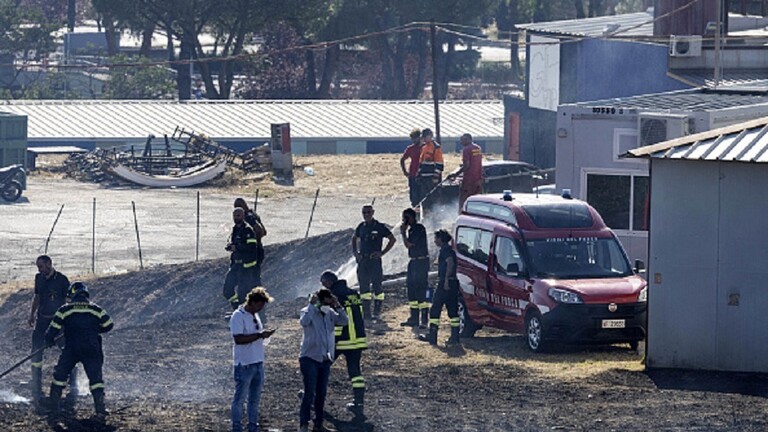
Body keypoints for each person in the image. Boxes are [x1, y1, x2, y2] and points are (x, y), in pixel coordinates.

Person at [45, 282, 113, 416]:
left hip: (72, 348)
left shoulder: (65, 309)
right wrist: (95, 330)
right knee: (96, 379)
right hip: (92, 348)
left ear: (72, 295)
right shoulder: (96, 309)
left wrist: (49, 340)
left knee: (60, 375)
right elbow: (109, 324)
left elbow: (53, 328)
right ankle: (100, 408)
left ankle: (53, 407)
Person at [27, 255, 77, 411]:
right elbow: (37, 297)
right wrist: (32, 314)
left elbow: (70, 301)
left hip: (59, 323)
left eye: (41, 266)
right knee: (36, 352)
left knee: (68, 351)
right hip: (42, 321)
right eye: (38, 267)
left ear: (49, 264)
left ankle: (73, 384)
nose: (40, 270)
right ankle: (36, 383)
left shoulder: (62, 280)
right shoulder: (39, 278)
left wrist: (70, 320)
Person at [299, 288, 348, 432]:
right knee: (309, 393)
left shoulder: (330, 313)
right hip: (309, 358)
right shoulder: (307, 311)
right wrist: (311, 306)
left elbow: (344, 321)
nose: (328, 304)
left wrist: (338, 305)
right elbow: (304, 322)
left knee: (321, 393)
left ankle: (318, 424)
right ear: (320, 301)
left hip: (325, 358)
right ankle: (304, 424)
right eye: (326, 301)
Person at [321, 271, 367, 418]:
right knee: (355, 372)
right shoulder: (353, 293)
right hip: (357, 340)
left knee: (322, 365)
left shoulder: (334, 295)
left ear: (328, 282)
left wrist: (331, 339)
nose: (323, 286)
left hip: (342, 340)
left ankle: (312, 394)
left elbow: (334, 319)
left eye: (323, 283)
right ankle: (359, 403)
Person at [230, 287, 275, 432]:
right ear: (253, 302)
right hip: (244, 364)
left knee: (254, 400)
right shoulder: (238, 316)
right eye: (260, 305)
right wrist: (260, 335)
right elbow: (238, 339)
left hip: (257, 362)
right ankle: (237, 428)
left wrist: (263, 336)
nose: (261, 308)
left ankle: (252, 427)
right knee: (239, 399)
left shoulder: (254, 315)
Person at [352, 205, 396, 321]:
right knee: (364, 287)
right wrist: (356, 253)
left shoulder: (379, 227)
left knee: (377, 286)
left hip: (375, 261)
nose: (366, 215)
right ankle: (366, 313)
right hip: (363, 261)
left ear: (373, 212)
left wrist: (382, 252)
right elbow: (354, 238)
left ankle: (377, 312)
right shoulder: (361, 226)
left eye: (368, 212)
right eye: (364, 212)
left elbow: (392, 239)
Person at [420, 229, 461, 346]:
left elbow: (450, 263)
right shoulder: (448, 250)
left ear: (441, 239)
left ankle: (432, 336)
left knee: (435, 309)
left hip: (445, 283)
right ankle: (455, 338)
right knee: (453, 311)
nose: (434, 241)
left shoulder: (446, 251)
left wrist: (446, 280)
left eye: (436, 238)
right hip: (453, 284)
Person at [223, 208, 260, 311]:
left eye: (238, 216)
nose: (236, 218)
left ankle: (244, 314)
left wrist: (237, 247)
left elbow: (252, 247)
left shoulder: (248, 230)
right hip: (235, 266)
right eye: (234, 216)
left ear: (243, 216)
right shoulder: (235, 229)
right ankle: (236, 308)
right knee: (227, 290)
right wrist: (231, 247)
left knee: (243, 294)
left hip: (246, 268)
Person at [399, 208, 430, 328]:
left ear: (411, 217)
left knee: (421, 289)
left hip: (421, 262)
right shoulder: (411, 230)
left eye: (405, 218)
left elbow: (409, 245)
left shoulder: (418, 229)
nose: (403, 220)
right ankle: (414, 317)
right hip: (413, 262)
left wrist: (403, 233)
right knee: (411, 289)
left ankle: (424, 319)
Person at [234, 198, 267, 286]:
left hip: (253, 252)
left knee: (252, 278)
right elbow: (264, 232)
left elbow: (261, 231)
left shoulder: (248, 218)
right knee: (253, 276)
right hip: (257, 249)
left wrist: (252, 241)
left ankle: (258, 297)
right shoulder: (252, 214)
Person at [416, 128, 444, 207]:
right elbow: (421, 163)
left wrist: (436, 178)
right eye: (423, 137)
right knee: (424, 199)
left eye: (425, 136)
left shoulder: (436, 147)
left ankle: (435, 216)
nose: (424, 139)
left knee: (434, 198)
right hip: (423, 178)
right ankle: (426, 216)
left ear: (431, 136)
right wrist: (418, 174)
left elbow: (439, 164)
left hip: (432, 178)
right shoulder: (424, 147)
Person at [457, 133, 484, 211]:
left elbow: (466, 165)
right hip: (478, 179)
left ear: (467, 139)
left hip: (468, 180)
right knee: (476, 201)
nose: (461, 143)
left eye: (462, 141)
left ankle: (461, 216)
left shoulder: (466, 149)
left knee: (463, 200)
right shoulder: (478, 148)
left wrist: (456, 174)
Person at [400, 128, 423, 207]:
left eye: (415, 138)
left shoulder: (425, 148)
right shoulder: (410, 148)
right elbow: (402, 159)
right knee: (414, 196)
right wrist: (405, 172)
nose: (413, 140)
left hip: (423, 175)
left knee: (423, 195)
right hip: (413, 175)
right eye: (412, 138)